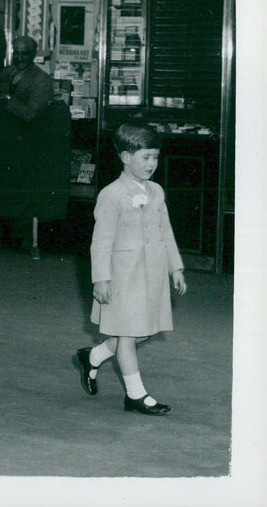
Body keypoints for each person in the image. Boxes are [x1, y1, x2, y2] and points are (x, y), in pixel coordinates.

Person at [75, 122, 186, 415]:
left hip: (152, 273)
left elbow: (166, 230)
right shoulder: (111, 195)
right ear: (126, 157)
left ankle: (94, 356)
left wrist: (176, 267)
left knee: (144, 331)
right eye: (146, 157)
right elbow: (101, 241)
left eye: (155, 157)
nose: (152, 163)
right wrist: (101, 278)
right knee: (128, 334)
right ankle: (136, 395)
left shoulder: (157, 191)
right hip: (123, 275)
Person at [0, 35, 53, 121]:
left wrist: (7, 101)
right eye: (16, 53)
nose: (19, 58)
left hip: (26, 131)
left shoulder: (42, 80)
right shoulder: (6, 72)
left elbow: (32, 114)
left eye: (25, 54)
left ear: (33, 55)